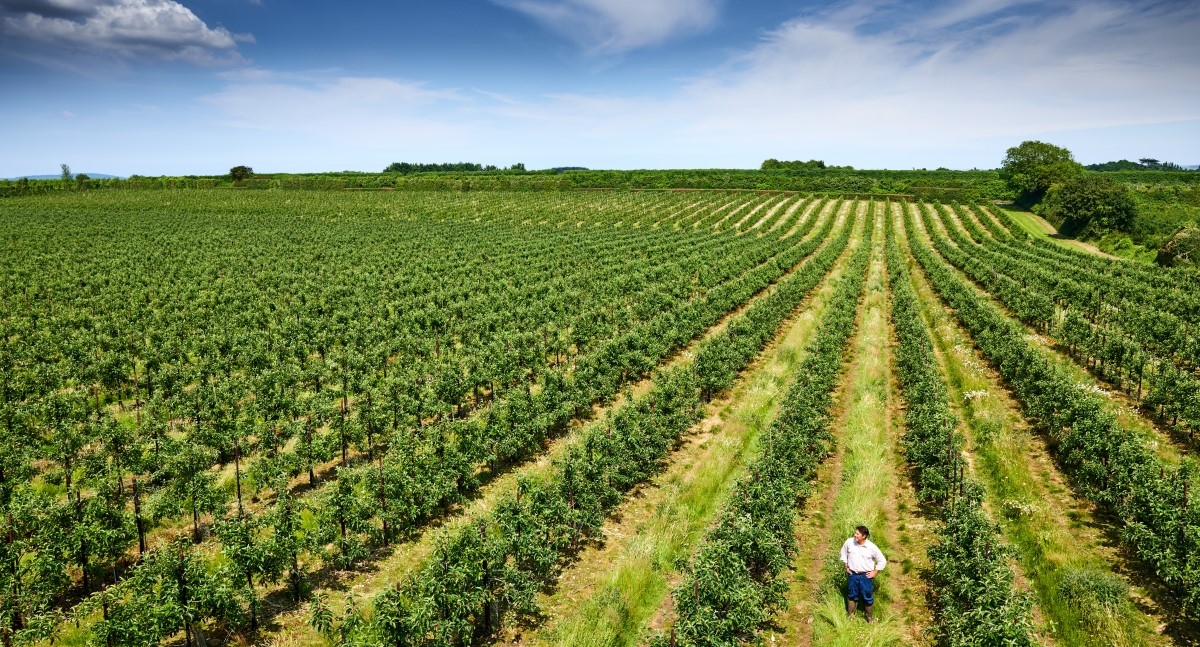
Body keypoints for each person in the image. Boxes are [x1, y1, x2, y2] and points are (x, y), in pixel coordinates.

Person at [840, 525, 887, 623]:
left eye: (857, 534)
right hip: (852, 575)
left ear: (864, 536)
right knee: (852, 595)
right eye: (855, 533)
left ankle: (869, 617)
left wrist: (875, 571)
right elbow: (843, 554)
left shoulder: (871, 547)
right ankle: (850, 615)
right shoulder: (849, 542)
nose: (855, 535)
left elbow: (882, 560)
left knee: (867, 596)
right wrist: (846, 566)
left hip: (866, 576)